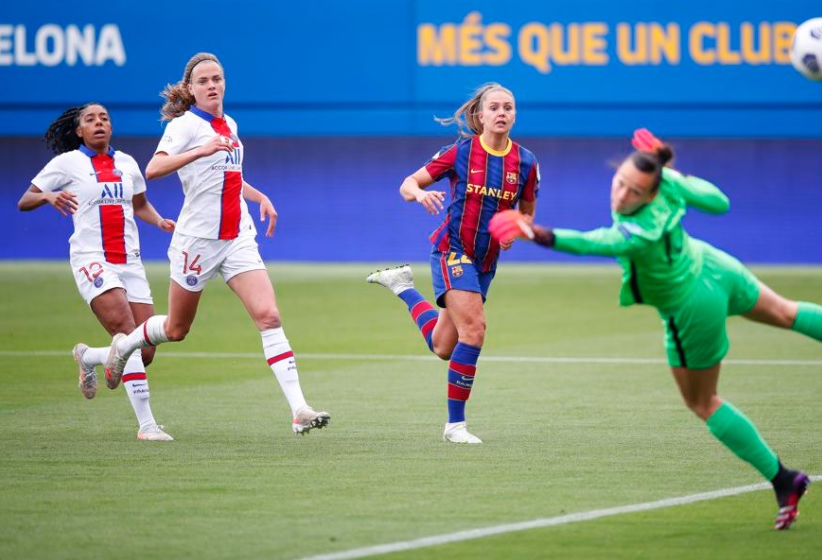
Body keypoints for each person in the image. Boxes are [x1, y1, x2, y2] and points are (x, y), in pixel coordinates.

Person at [490, 128, 822, 529]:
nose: (621, 194)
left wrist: (538, 233)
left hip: (692, 306)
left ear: (651, 192)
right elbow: (718, 202)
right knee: (789, 313)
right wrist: (669, 170)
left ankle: (783, 479)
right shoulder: (668, 189)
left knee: (702, 402)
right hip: (715, 267)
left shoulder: (638, 230)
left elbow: (597, 243)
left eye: (634, 190)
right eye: (619, 181)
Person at [96, 52, 330, 436]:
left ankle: (299, 410)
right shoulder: (184, 126)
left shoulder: (230, 123)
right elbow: (153, 169)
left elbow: (228, 174)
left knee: (269, 315)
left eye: (217, 78)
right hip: (198, 241)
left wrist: (259, 197)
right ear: (191, 89)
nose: (212, 85)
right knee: (176, 329)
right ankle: (124, 347)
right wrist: (199, 149)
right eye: (203, 80)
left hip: (236, 236)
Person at [366, 83, 540, 444]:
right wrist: (419, 194)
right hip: (452, 251)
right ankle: (455, 426)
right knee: (474, 330)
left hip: (485, 261)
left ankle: (402, 287)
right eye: (494, 107)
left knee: (444, 346)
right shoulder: (460, 152)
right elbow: (408, 183)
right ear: (480, 115)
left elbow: (525, 213)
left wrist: (515, 230)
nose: (502, 113)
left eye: (508, 107)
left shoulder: (525, 162)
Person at [17, 103, 176, 442]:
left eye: (104, 118)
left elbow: (139, 204)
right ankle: (147, 425)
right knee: (126, 332)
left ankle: (88, 357)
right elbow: (24, 200)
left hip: (130, 262)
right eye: (90, 119)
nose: (99, 123)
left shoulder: (127, 163)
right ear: (79, 131)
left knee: (144, 351)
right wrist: (48, 195)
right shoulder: (68, 163)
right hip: (92, 258)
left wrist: (159, 220)